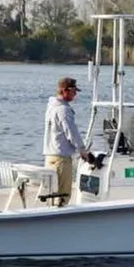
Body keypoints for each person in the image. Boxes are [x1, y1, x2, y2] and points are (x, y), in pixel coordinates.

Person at [43, 77, 93, 206]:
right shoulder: (63, 110)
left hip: (50, 157)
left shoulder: (51, 107)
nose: (75, 94)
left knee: (52, 194)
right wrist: (82, 150)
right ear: (65, 91)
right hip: (61, 159)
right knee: (62, 195)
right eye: (73, 91)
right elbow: (72, 133)